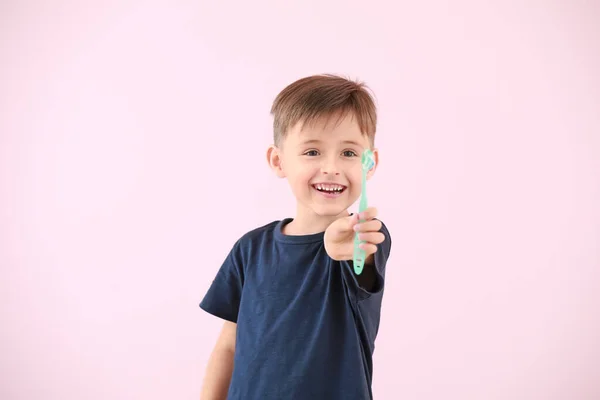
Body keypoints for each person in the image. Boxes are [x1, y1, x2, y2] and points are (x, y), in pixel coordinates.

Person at [199, 74, 392, 400]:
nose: (331, 167)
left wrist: (345, 246)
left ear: (369, 164)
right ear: (278, 160)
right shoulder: (250, 249)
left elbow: (364, 254)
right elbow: (229, 346)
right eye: (313, 151)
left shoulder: (362, 238)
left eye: (348, 153)